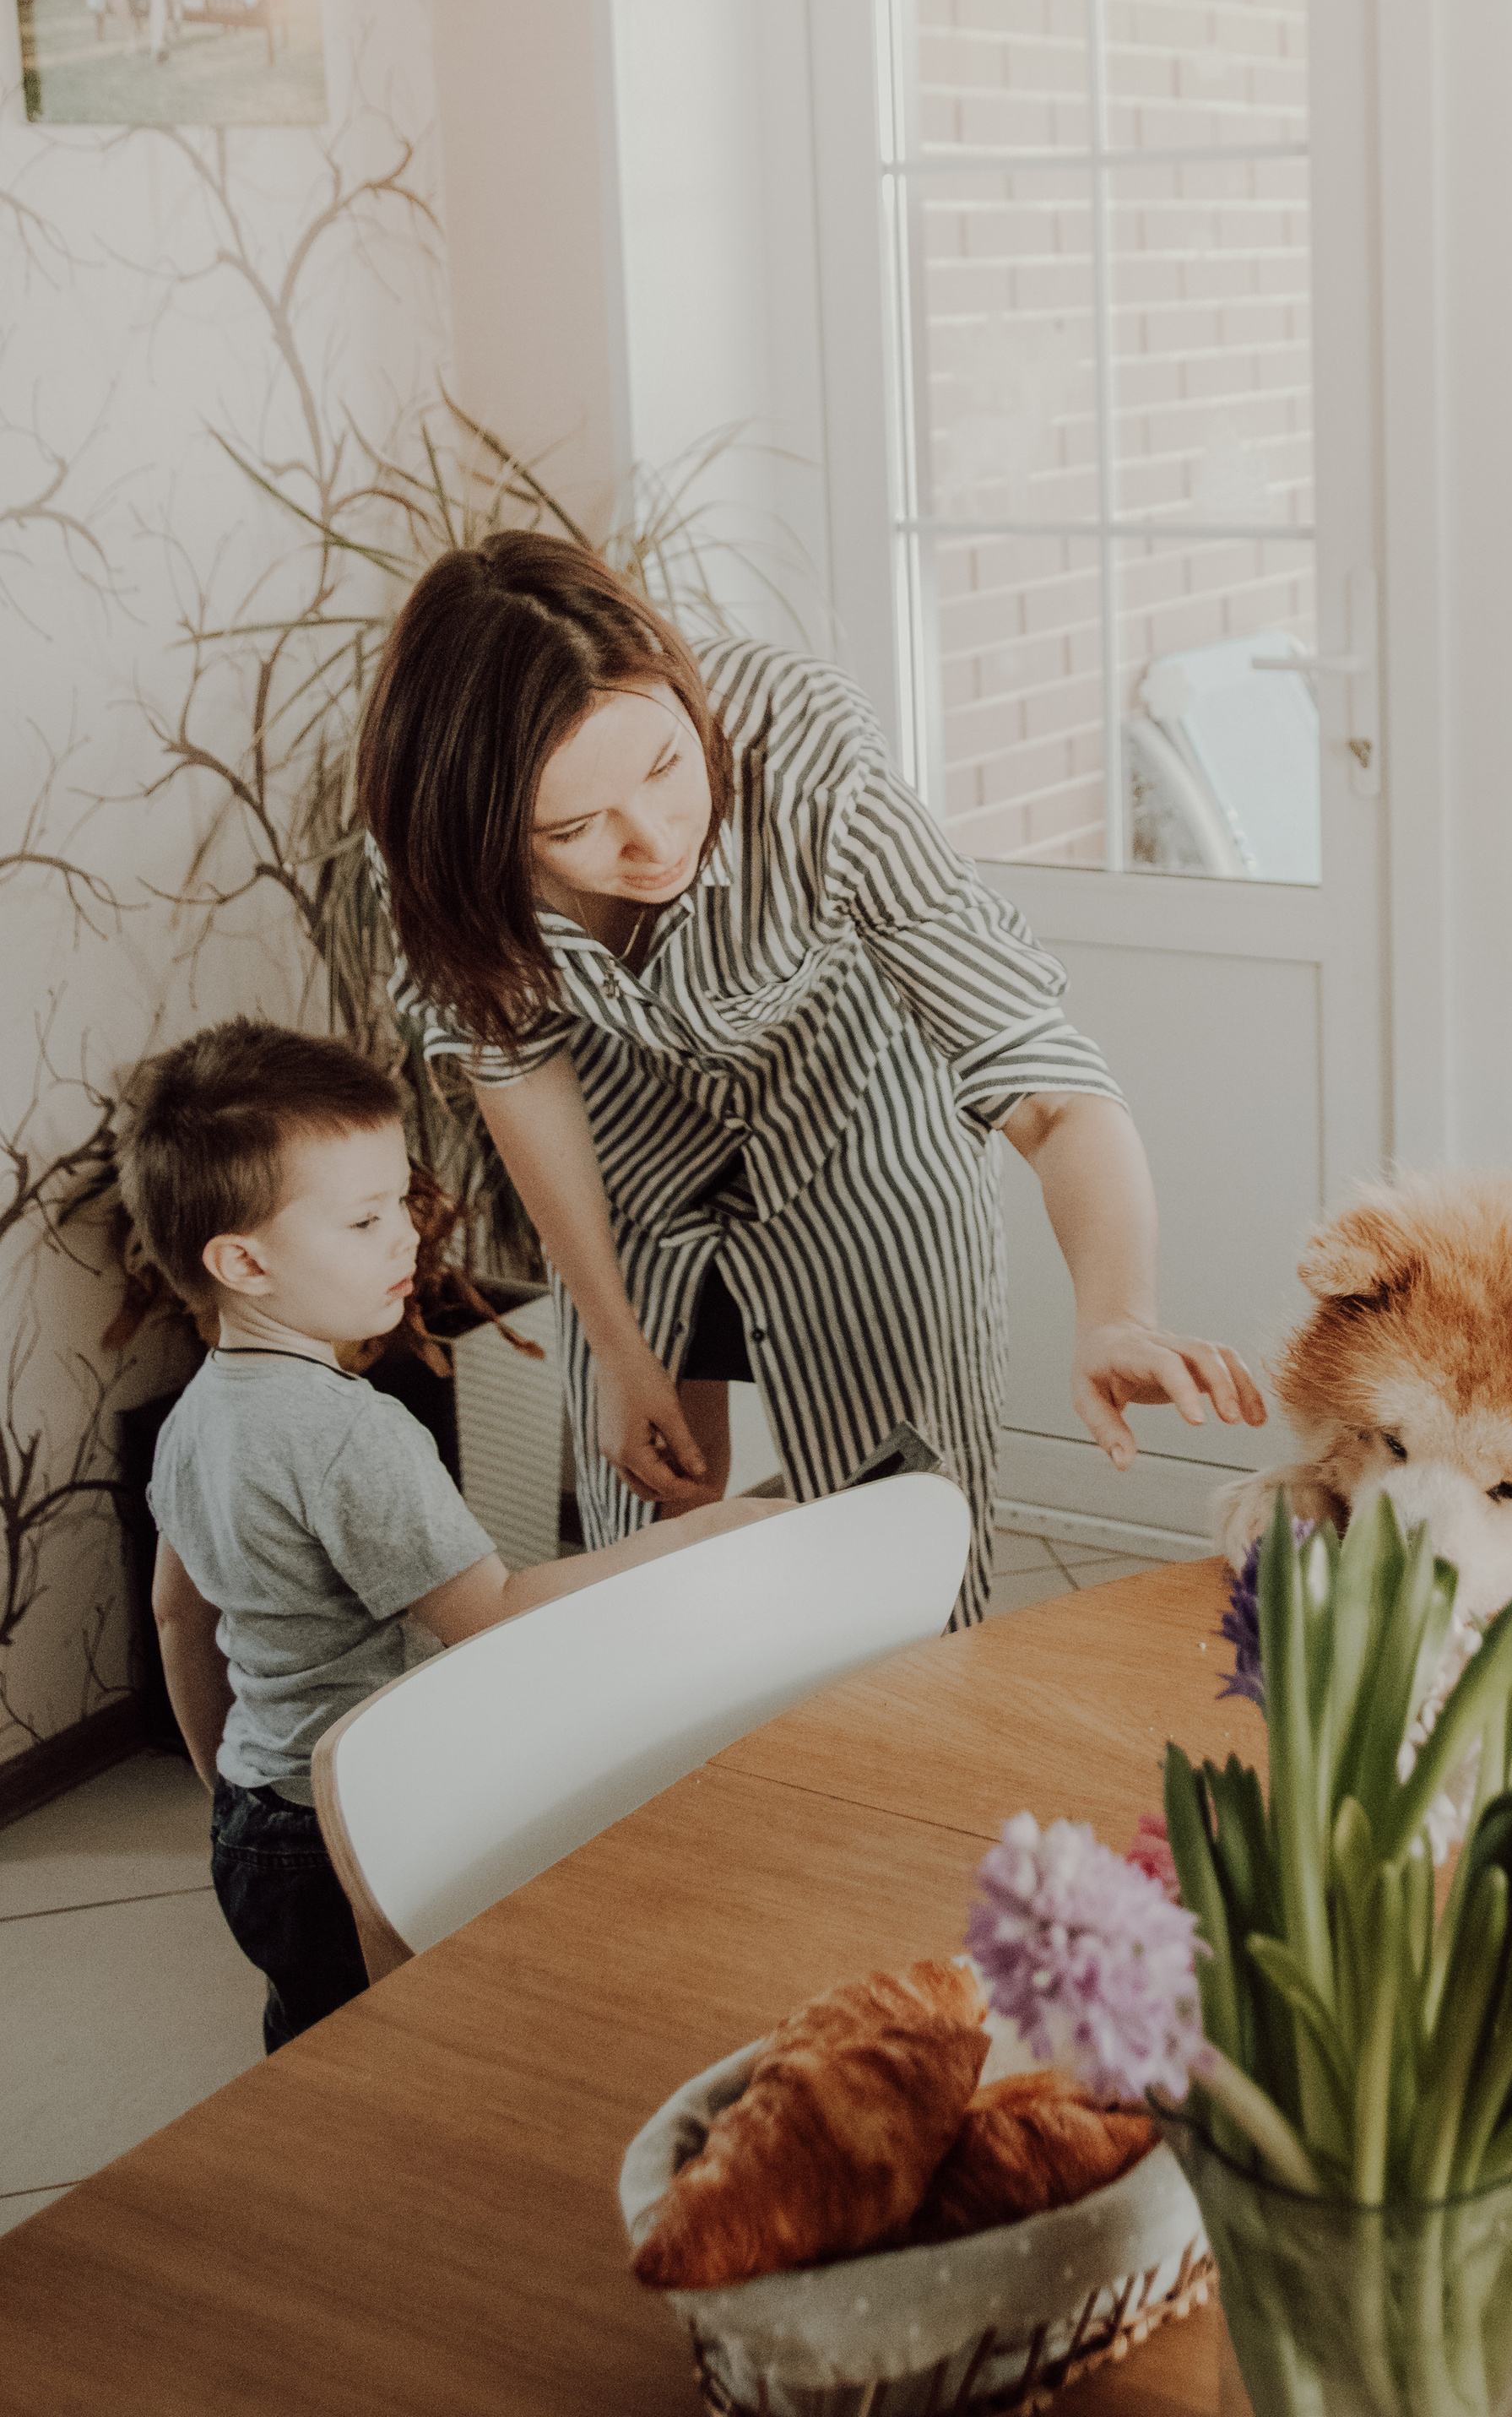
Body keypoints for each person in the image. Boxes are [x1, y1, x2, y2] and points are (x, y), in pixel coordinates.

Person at [356, 534, 1265, 1624]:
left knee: (908, 1572)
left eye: (663, 765)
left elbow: (1045, 1082)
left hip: (867, 1158)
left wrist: (1120, 1309)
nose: (650, 840)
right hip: (629, 1195)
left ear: (676, 686)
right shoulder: (437, 853)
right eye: (573, 828)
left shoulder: (805, 751)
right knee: (652, 1588)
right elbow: (519, 1071)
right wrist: (612, 1341)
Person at [123, 1018, 776, 2051]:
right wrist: (718, 1530)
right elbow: (493, 1615)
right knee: (411, 2054)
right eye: (363, 1221)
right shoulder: (351, 1433)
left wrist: (230, 1783)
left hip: (262, 1821)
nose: (408, 1238)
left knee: (311, 2040)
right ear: (243, 1260)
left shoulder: (193, 1420)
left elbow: (177, 1613)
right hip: (370, 1814)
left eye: (400, 1204)